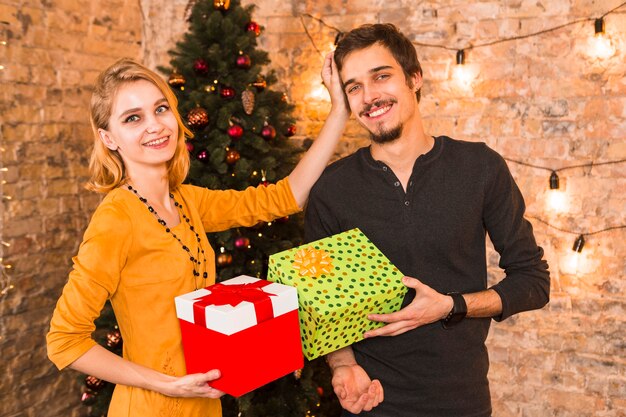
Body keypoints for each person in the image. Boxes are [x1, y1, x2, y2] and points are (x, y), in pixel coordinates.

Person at [46, 54, 348, 416]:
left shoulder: (187, 199)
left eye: (160, 109)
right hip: (151, 407)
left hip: (203, 403)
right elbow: (64, 341)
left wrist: (339, 113)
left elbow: (285, 197)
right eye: (133, 118)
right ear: (108, 138)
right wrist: (164, 383)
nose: (155, 125)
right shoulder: (116, 218)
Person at [304, 23, 550, 417]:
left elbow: (533, 282)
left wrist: (452, 306)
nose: (370, 97)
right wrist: (344, 365)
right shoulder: (330, 189)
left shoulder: (480, 167)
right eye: (354, 87)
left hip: (462, 401)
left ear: (414, 78)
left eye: (381, 76)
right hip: (374, 401)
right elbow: (325, 304)